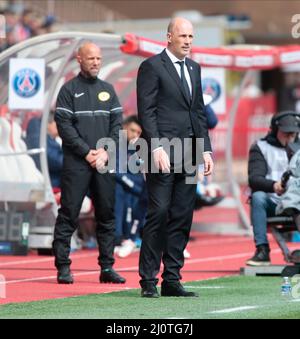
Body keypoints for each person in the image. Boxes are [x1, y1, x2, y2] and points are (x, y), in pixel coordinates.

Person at [137, 17, 213, 298]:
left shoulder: (194, 68)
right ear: (169, 37)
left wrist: (205, 149)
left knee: (182, 215)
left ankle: (172, 279)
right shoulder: (151, 66)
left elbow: (198, 112)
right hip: (161, 151)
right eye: (183, 36)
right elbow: (147, 111)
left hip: (191, 151)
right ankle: (147, 280)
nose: (188, 41)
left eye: (191, 36)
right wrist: (155, 147)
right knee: (158, 212)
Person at [52, 42, 125, 284]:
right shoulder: (68, 90)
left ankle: (107, 268)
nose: (95, 62)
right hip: (77, 163)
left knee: (106, 214)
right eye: (91, 58)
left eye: (98, 58)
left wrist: (104, 152)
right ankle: (63, 267)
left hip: (104, 161)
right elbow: (65, 127)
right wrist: (87, 152)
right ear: (79, 60)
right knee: (69, 213)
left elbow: (117, 126)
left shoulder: (108, 90)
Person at [246, 111, 300, 266]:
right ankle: (262, 250)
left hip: (297, 200)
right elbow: (254, 179)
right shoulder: (260, 147)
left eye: (293, 133)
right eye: (285, 133)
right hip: (273, 202)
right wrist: (274, 186)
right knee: (257, 196)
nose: (289, 137)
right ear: (275, 130)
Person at [114, 115, 146, 258]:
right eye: (132, 130)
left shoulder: (137, 147)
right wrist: (135, 186)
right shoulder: (115, 143)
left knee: (146, 192)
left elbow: (140, 170)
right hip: (115, 184)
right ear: (124, 127)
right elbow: (115, 171)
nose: (135, 135)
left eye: (138, 133)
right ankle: (121, 237)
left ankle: (134, 236)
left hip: (131, 185)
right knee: (123, 190)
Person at [26, 112, 63, 188]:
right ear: (48, 124)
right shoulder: (42, 139)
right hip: (52, 183)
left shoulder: (53, 141)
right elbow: (54, 159)